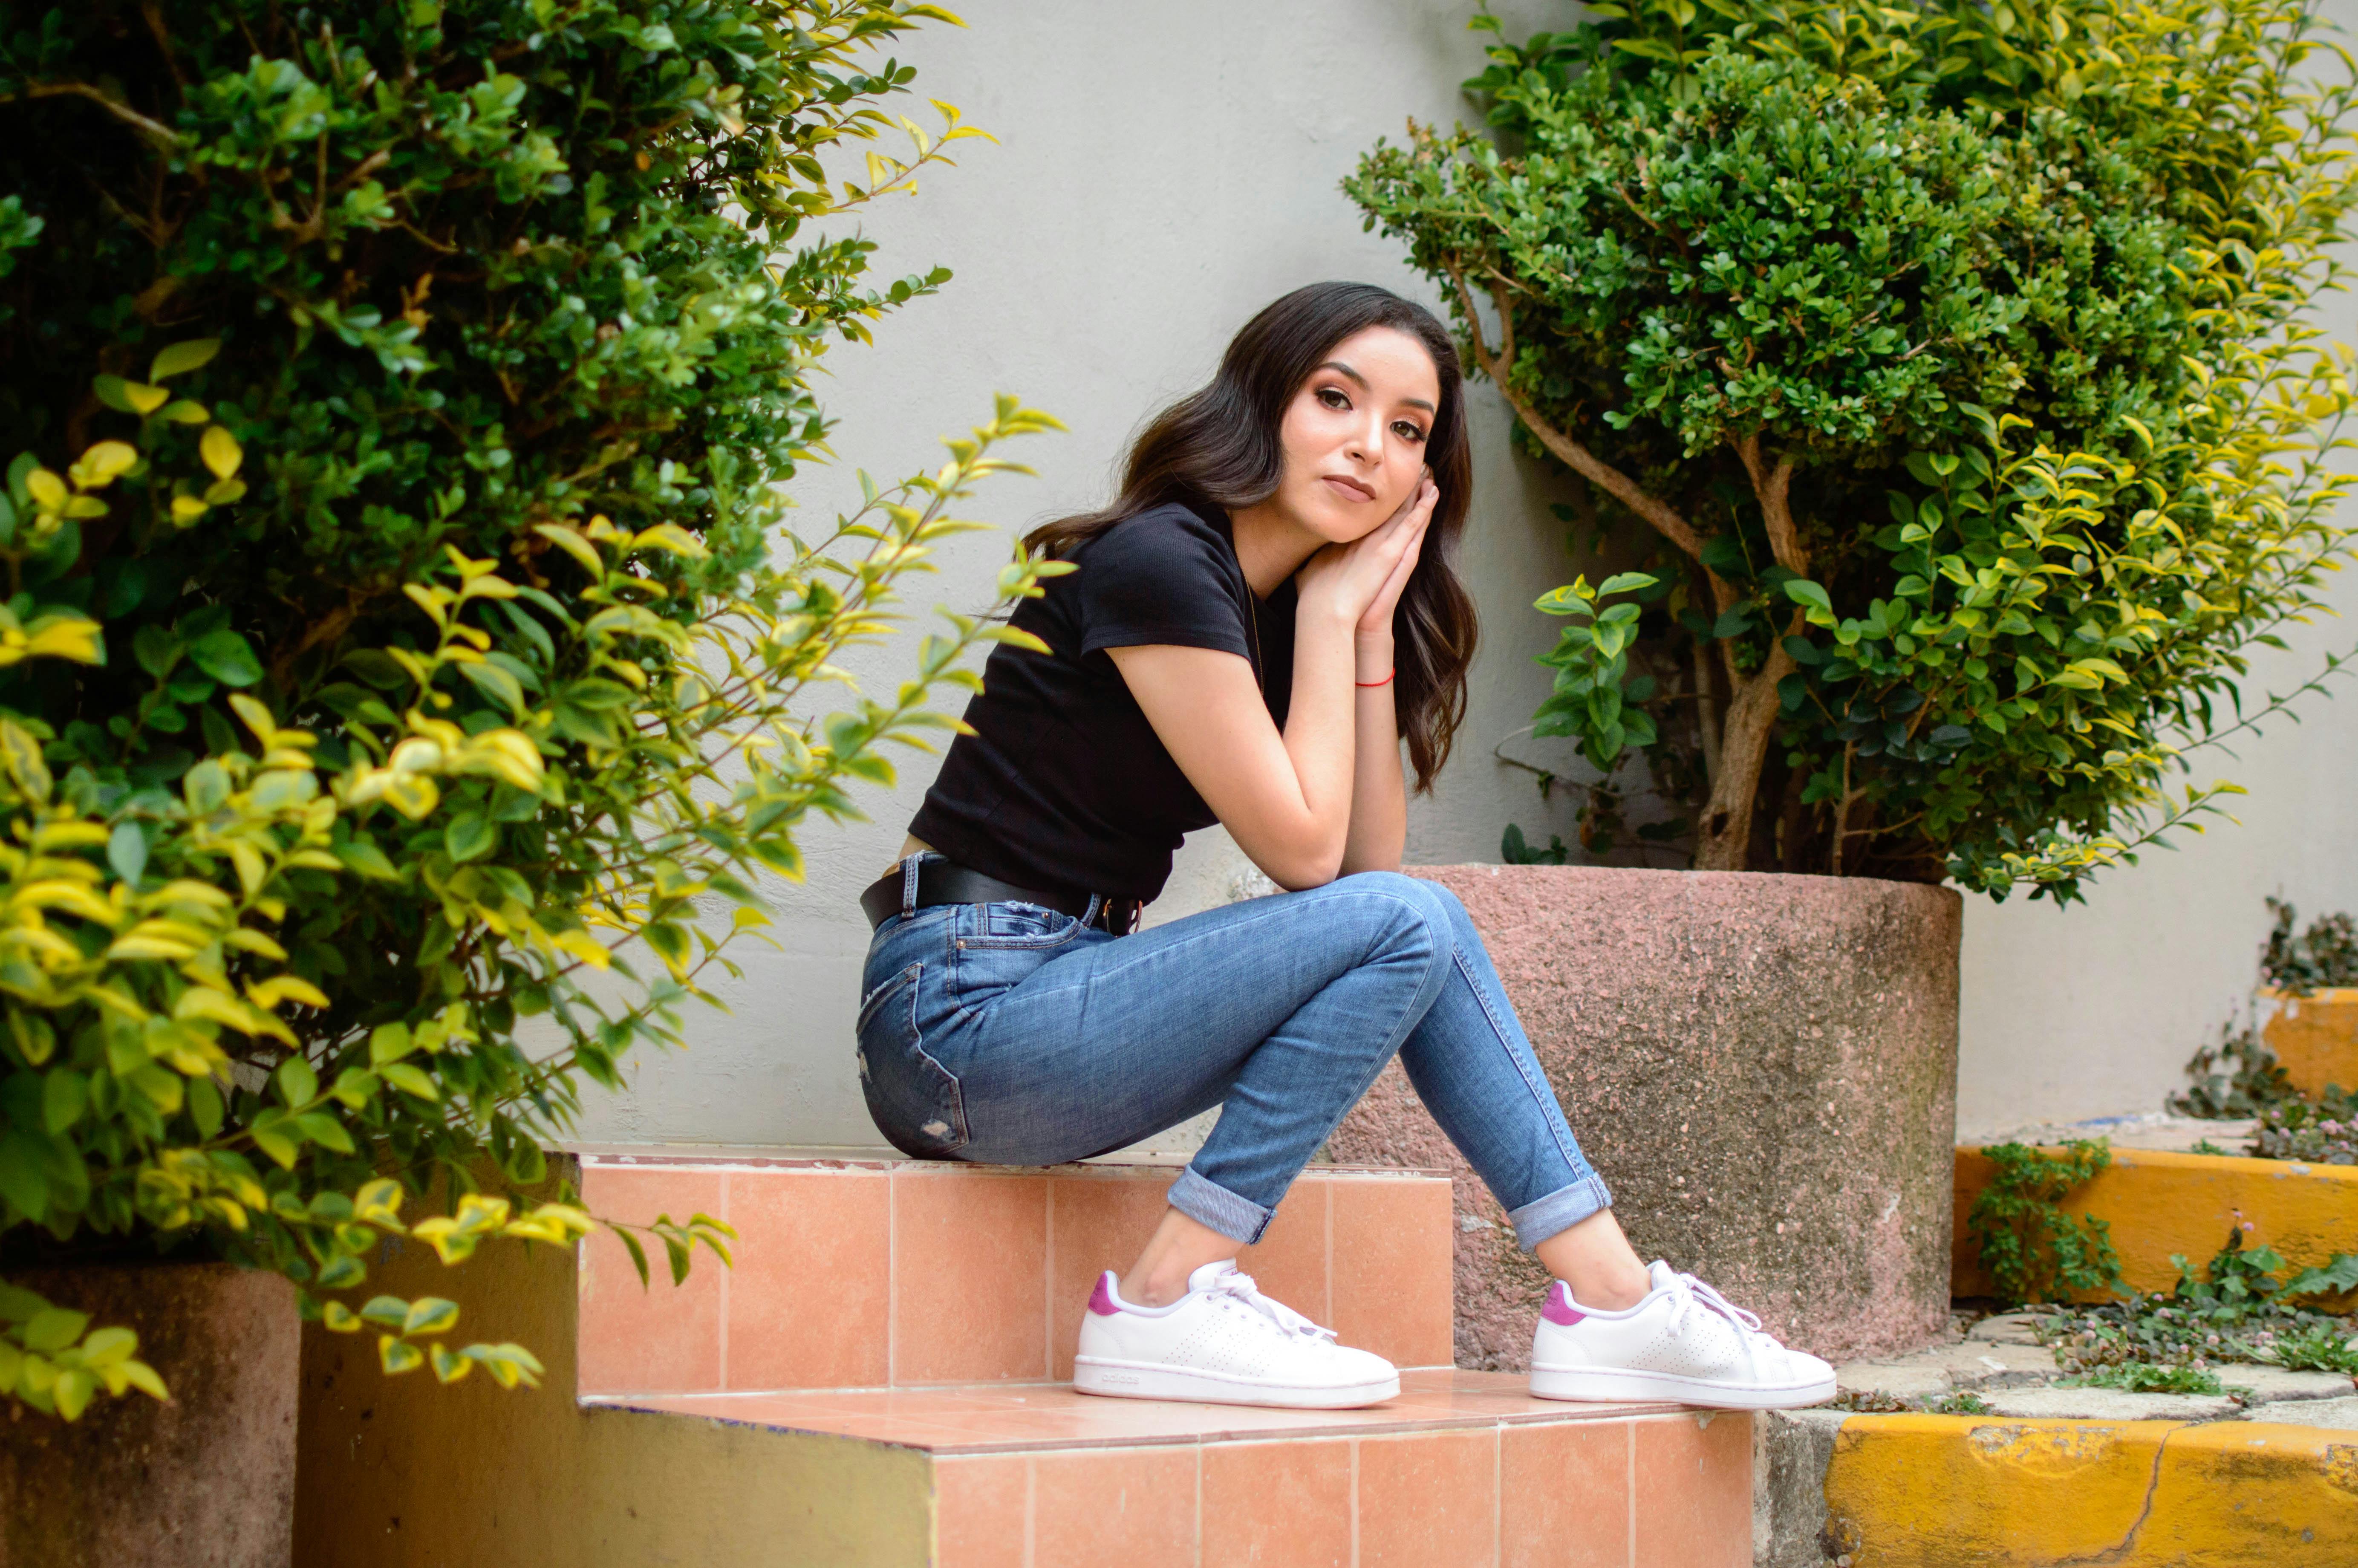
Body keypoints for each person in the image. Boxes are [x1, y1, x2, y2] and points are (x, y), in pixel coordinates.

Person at [854, 281, 1833, 1412]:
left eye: (1409, 430)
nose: (1370, 446)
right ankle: (1178, 1297)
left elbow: (1371, 893)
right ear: (1265, 401)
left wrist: (1361, 625)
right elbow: (1318, 869)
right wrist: (1331, 620)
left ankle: (1606, 1303)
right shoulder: (1159, 562)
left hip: (1065, 1001)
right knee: (1406, 921)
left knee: (1410, 926)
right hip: (959, 1019)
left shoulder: (1286, 608)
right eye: (1336, 399)